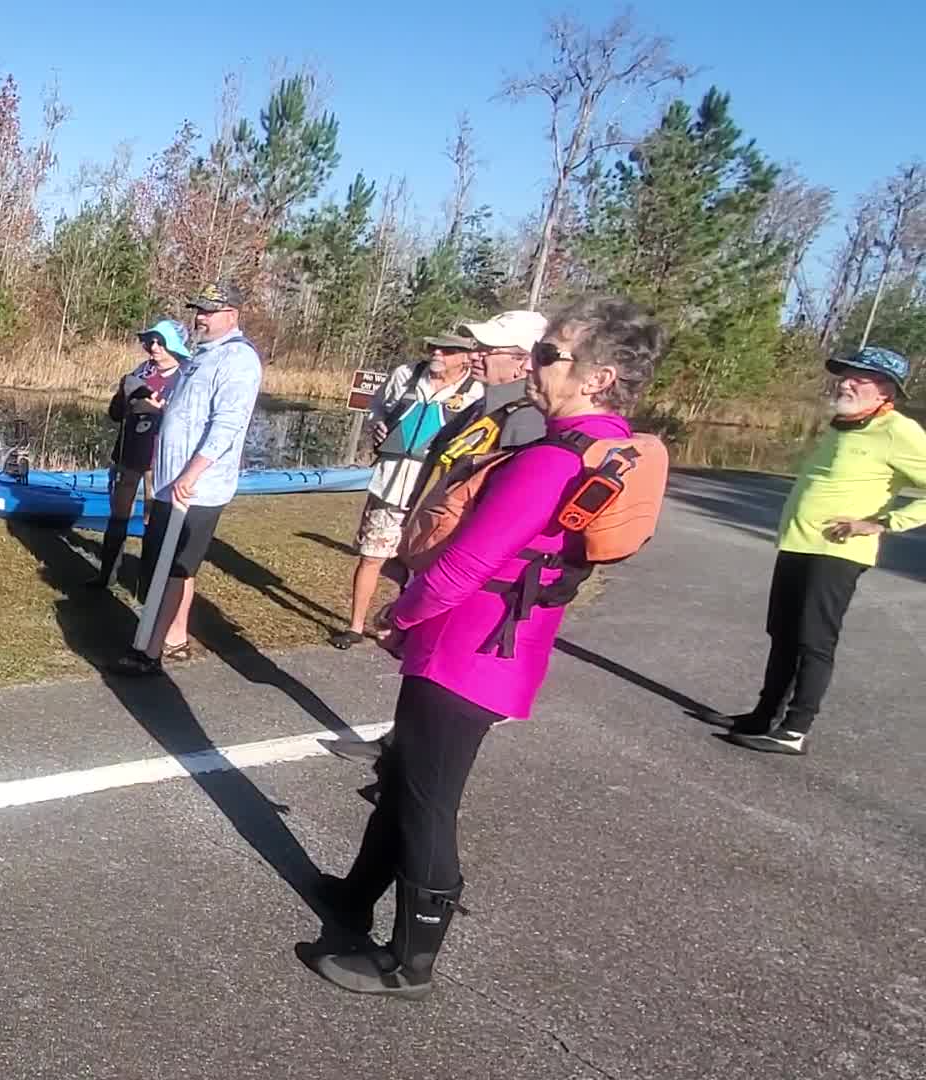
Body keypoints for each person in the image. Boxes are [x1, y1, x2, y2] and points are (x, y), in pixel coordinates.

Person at [308, 296, 664, 997]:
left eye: (551, 354)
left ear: (600, 377)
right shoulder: (607, 446)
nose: (536, 364)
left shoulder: (553, 459)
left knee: (427, 799)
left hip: (466, 647)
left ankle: (411, 961)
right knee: (408, 774)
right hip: (499, 641)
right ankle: (354, 898)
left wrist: (400, 615)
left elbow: (467, 563)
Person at [326, 310, 548, 766]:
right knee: (418, 659)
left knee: (440, 670)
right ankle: (397, 748)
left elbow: (498, 509)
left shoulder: (526, 423)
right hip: (430, 551)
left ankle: (407, 765)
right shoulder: (482, 406)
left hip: (460, 566)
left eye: (489, 349)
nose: (478, 355)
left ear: (525, 362)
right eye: (478, 346)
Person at [706, 346, 926, 755]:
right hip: (798, 543)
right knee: (783, 633)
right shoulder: (842, 425)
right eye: (846, 374)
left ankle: (793, 730)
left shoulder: (899, 431)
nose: (846, 382)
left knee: (813, 640)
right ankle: (763, 715)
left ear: (885, 390)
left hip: (839, 552)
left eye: (859, 378)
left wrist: (882, 523)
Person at [113, 283, 264, 674]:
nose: (201, 317)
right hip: (169, 482)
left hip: (196, 488)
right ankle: (173, 637)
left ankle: (148, 652)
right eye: (199, 309)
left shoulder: (238, 360)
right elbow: (186, 411)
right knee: (173, 565)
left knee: (174, 567)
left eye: (210, 311)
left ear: (232, 315)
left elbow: (228, 424)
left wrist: (193, 471)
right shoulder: (201, 356)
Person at [329, 333, 485, 650]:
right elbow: (376, 409)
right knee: (371, 556)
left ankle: (406, 628)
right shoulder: (404, 375)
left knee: (421, 562)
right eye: (433, 347)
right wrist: (377, 425)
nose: (437, 353)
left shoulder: (477, 393)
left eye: (447, 349)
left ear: (466, 356)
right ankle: (355, 626)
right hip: (389, 482)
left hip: (435, 490)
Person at [89, 319, 191, 590]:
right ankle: (105, 577)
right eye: (151, 341)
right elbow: (115, 414)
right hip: (130, 451)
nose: (154, 347)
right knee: (119, 512)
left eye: (161, 341)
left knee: (152, 517)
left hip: (159, 458)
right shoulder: (141, 372)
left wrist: (160, 410)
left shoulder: (185, 377)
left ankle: (146, 585)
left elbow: (189, 420)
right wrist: (125, 395)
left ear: (176, 345)